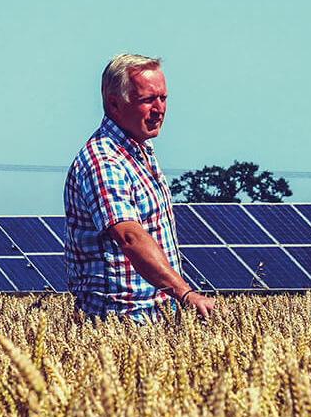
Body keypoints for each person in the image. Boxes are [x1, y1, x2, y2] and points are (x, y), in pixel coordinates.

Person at [64, 54, 216, 322]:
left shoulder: (140, 150)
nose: (159, 109)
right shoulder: (105, 160)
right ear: (114, 104)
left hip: (156, 316)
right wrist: (186, 294)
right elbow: (129, 236)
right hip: (120, 320)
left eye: (163, 98)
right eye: (147, 100)